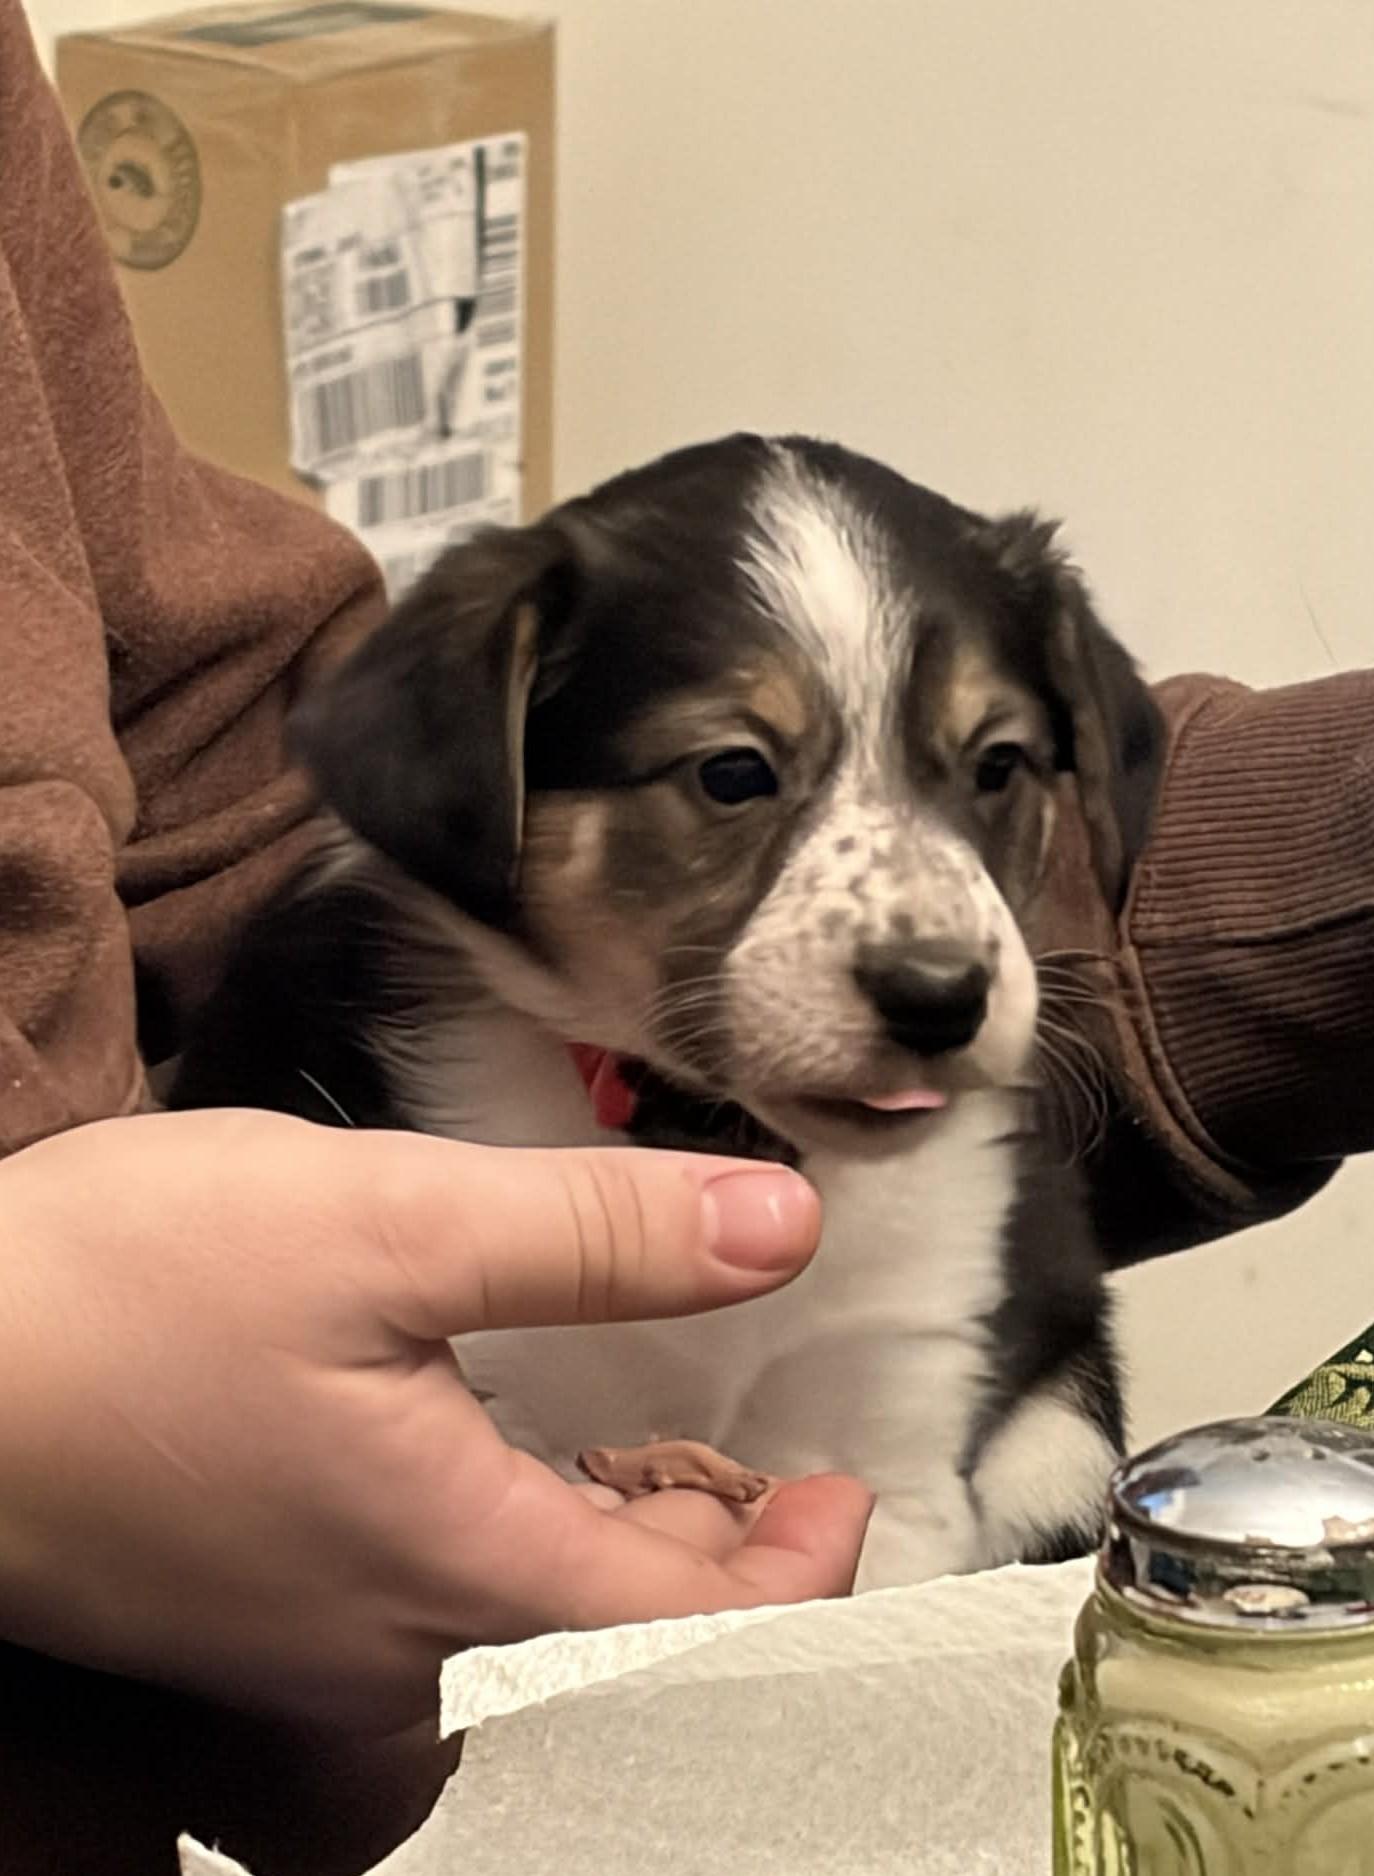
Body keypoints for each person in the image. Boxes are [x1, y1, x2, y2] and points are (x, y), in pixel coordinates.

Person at [4, 0, 1374, 1867]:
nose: (931, 937)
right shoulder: (383, 1024)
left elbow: (208, 750)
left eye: (990, 772)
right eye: (736, 779)